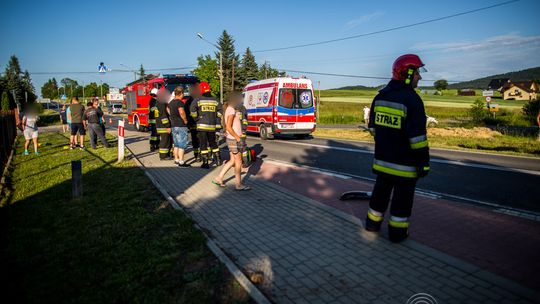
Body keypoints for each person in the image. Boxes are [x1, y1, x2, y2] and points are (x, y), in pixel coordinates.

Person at [364, 54, 430, 243]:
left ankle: (372, 225)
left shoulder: (380, 96)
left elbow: (373, 129)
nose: (420, 76)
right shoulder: (412, 100)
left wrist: (388, 143)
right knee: (402, 202)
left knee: (379, 196)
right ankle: (397, 234)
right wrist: (423, 163)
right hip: (405, 166)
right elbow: (418, 140)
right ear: (407, 73)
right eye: (417, 72)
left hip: (383, 162)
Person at [213, 91, 251, 191]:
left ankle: (219, 178)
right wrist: (238, 138)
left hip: (231, 138)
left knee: (232, 160)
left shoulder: (229, 109)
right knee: (238, 162)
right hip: (234, 139)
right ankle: (238, 184)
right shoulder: (231, 110)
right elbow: (229, 127)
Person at [190, 82, 223, 168]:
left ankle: (205, 163)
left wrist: (196, 118)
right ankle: (219, 160)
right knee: (213, 143)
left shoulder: (198, 99)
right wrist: (215, 117)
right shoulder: (215, 100)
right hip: (212, 126)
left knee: (203, 144)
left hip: (201, 126)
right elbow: (220, 111)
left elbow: (192, 109)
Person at [169, 87, 190, 167]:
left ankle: (176, 160)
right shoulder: (180, 102)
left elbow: (168, 110)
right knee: (182, 144)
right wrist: (185, 120)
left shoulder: (171, 102)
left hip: (174, 125)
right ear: (181, 93)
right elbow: (181, 112)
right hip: (181, 125)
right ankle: (181, 161)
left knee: (176, 144)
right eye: (183, 93)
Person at [184, 84, 200, 161]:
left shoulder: (188, 101)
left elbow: (186, 113)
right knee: (199, 140)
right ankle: (199, 155)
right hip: (198, 123)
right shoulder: (200, 99)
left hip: (194, 123)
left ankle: (198, 156)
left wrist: (188, 123)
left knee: (196, 140)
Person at [156, 89, 172, 160]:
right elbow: (163, 116)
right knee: (165, 141)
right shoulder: (161, 104)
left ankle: (167, 154)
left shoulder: (158, 103)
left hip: (159, 125)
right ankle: (163, 156)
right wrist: (168, 126)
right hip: (163, 126)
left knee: (166, 140)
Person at [236, 101, 249, 166]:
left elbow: (244, 120)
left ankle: (245, 162)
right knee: (236, 148)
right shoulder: (233, 108)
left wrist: (243, 129)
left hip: (240, 131)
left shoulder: (242, 108)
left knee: (242, 148)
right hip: (235, 132)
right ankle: (239, 161)